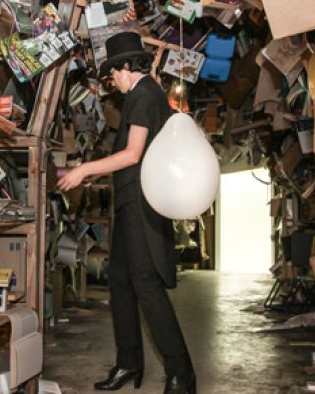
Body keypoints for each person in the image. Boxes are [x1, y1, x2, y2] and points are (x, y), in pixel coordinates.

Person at [57, 32, 195, 394]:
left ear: (125, 67)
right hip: (130, 202)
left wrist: (85, 170)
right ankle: (129, 363)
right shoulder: (141, 95)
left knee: (146, 285)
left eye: (112, 74)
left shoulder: (143, 95)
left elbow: (133, 154)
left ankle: (181, 375)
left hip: (141, 205)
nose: (111, 82)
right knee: (120, 282)